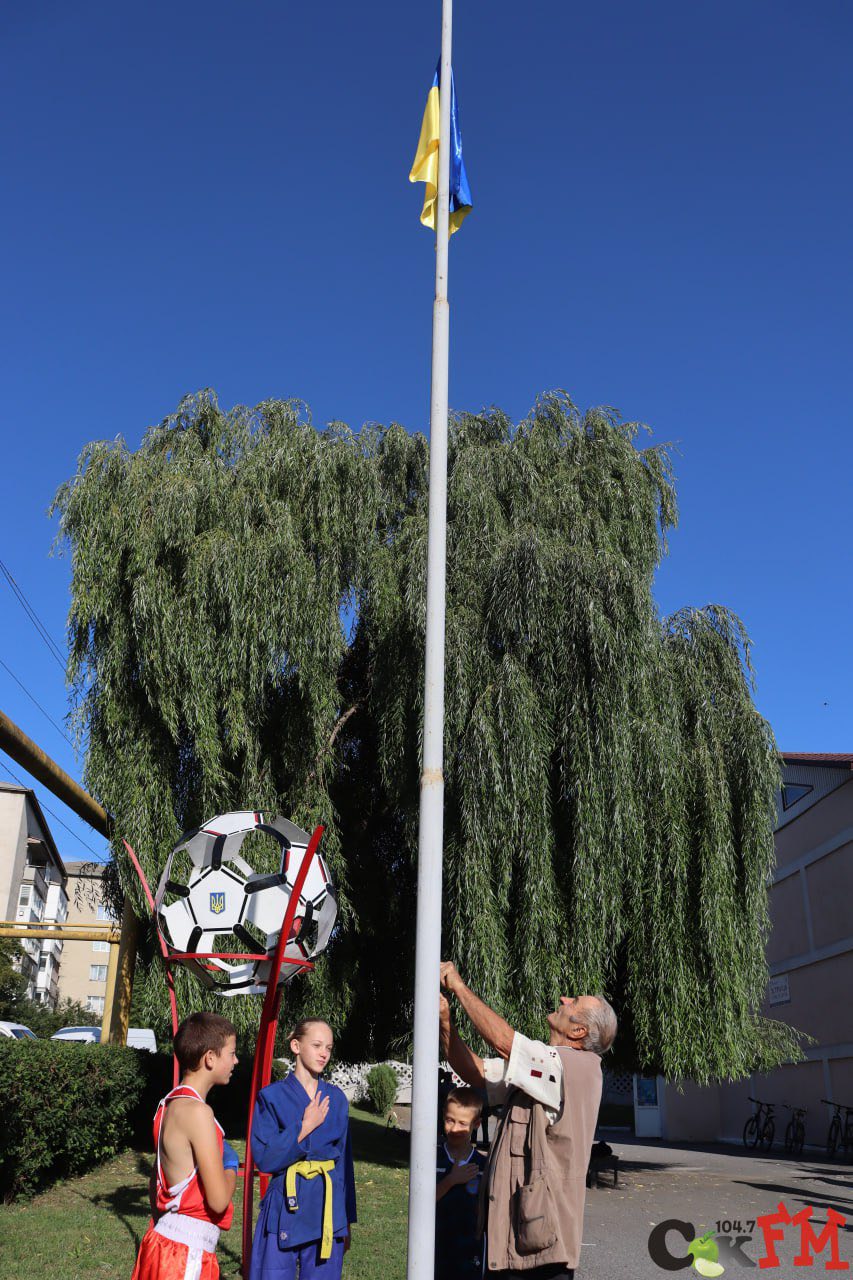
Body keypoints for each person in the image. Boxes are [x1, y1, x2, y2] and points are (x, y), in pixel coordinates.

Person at [439, 962, 617, 1280]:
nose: (563, 999)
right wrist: (444, 1022)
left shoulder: (571, 1067)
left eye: (573, 1002)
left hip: (540, 1253)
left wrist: (459, 986)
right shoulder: (542, 1070)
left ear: (578, 1031)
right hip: (518, 1241)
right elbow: (475, 1072)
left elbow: (504, 1041)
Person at [131, 1011, 240, 1280]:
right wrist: (231, 1166)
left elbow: (155, 1182)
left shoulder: (167, 1105)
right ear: (210, 1058)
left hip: (163, 1243)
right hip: (185, 1255)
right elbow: (218, 1201)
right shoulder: (198, 1112)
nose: (236, 1060)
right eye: (232, 1053)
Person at [249, 1018, 356, 1280]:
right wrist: (304, 1127)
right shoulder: (271, 1097)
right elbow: (265, 1158)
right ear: (296, 1046)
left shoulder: (337, 1099)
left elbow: (344, 1164)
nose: (324, 1054)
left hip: (326, 1210)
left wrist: (346, 1219)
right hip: (284, 1208)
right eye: (317, 1045)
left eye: (328, 1048)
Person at [435, 1087, 488, 1280]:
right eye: (450, 1120)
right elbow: (420, 1203)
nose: (455, 1129)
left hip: (470, 1254)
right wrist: (451, 1180)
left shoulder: (483, 1165)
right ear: (443, 1116)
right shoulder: (432, 1158)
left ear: (476, 1124)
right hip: (435, 1249)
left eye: (463, 1123)